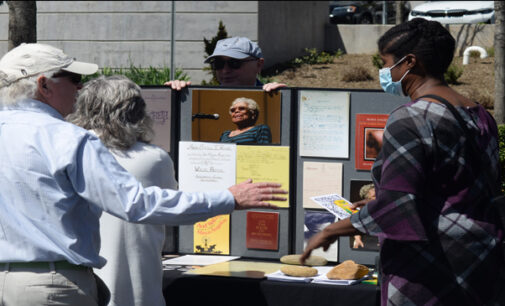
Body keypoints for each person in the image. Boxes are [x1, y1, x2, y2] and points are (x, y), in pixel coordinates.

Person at [0, 43, 287, 306]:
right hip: (51, 285)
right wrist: (228, 199)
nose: (80, 87)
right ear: (43, 84)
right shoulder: (66, 138)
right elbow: (136, 204)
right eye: (74, 79)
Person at [301, 18, 505, 305]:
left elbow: (396, 207)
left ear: (409, 62)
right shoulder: (480, 115)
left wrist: (333, 229)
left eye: (385, 63)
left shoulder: (411, 118)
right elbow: (466, 187)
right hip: (482, 262)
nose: (383, 71)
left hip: (431, 270)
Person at [66, 75, 177, 306]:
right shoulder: (153, 159)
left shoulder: (70, 151)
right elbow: (171, 205)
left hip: (84, 284)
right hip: (140, 286)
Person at [164, 36, 286, 92]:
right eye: (219, 63)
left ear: (259, 65)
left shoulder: (273, 97)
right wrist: (175, 95)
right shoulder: (198, 98)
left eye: (234, 63)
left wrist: (283, 98)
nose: (225, 70)